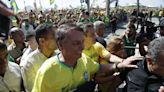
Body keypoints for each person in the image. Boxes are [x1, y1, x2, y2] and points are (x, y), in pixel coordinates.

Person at [32, 24, 142, 92]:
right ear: (60, 46)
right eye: (76, 43)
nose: (82, 47)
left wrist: (119, 65)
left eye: (82, 42)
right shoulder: (48, 72)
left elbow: (99, 68)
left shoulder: (84, 59)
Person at [21, 23, 57, 92]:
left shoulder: (59, 56)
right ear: (42, 41)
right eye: (54, 37)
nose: (58, 39)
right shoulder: (29, 64)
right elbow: (33, 89)